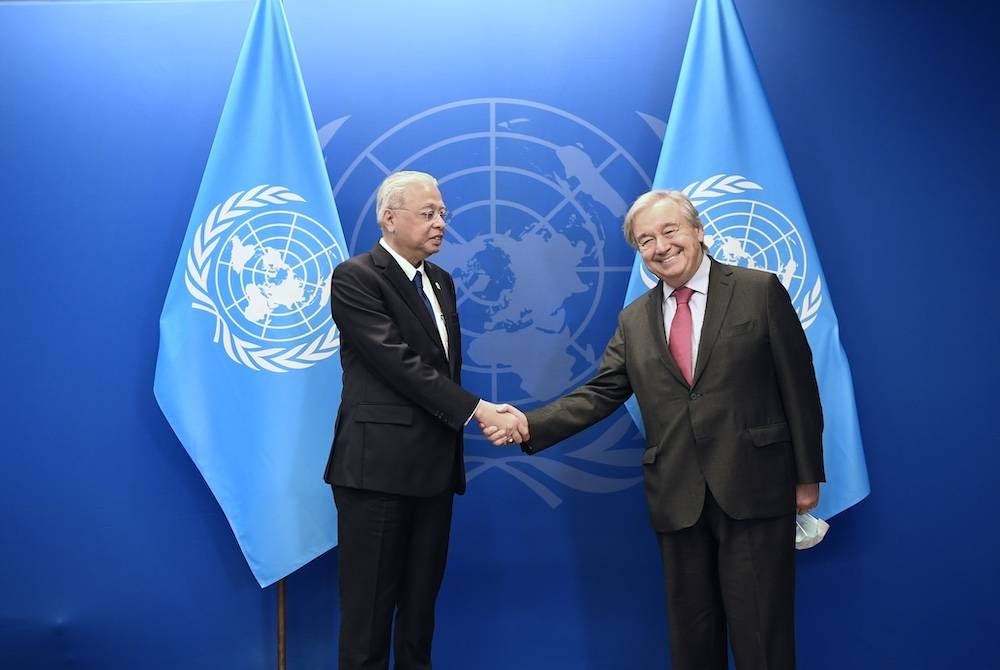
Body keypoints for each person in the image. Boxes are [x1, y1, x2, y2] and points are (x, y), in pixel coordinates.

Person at [490, 190, 824, 670]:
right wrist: (528, 425)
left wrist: (806, 475)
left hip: (755, 488)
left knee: (763, 638)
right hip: (677, 496)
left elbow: (800, 386)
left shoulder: (759, 289)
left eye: (669, 231)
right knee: (692, 639)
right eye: (645, 240)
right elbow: (602, 392)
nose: (660, 246)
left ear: (698, 231)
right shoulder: (635, 318)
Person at [324, 171, 526, 670]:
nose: (441, 223)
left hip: (434, 471)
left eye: (443, 214)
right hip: (377, 474)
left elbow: (439, 369)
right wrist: (480, 410)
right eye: (428, 213)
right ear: (389, 219)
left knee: (419, 617)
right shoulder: (356, 277)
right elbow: (399, 365)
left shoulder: (441, 282)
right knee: (368, 623)